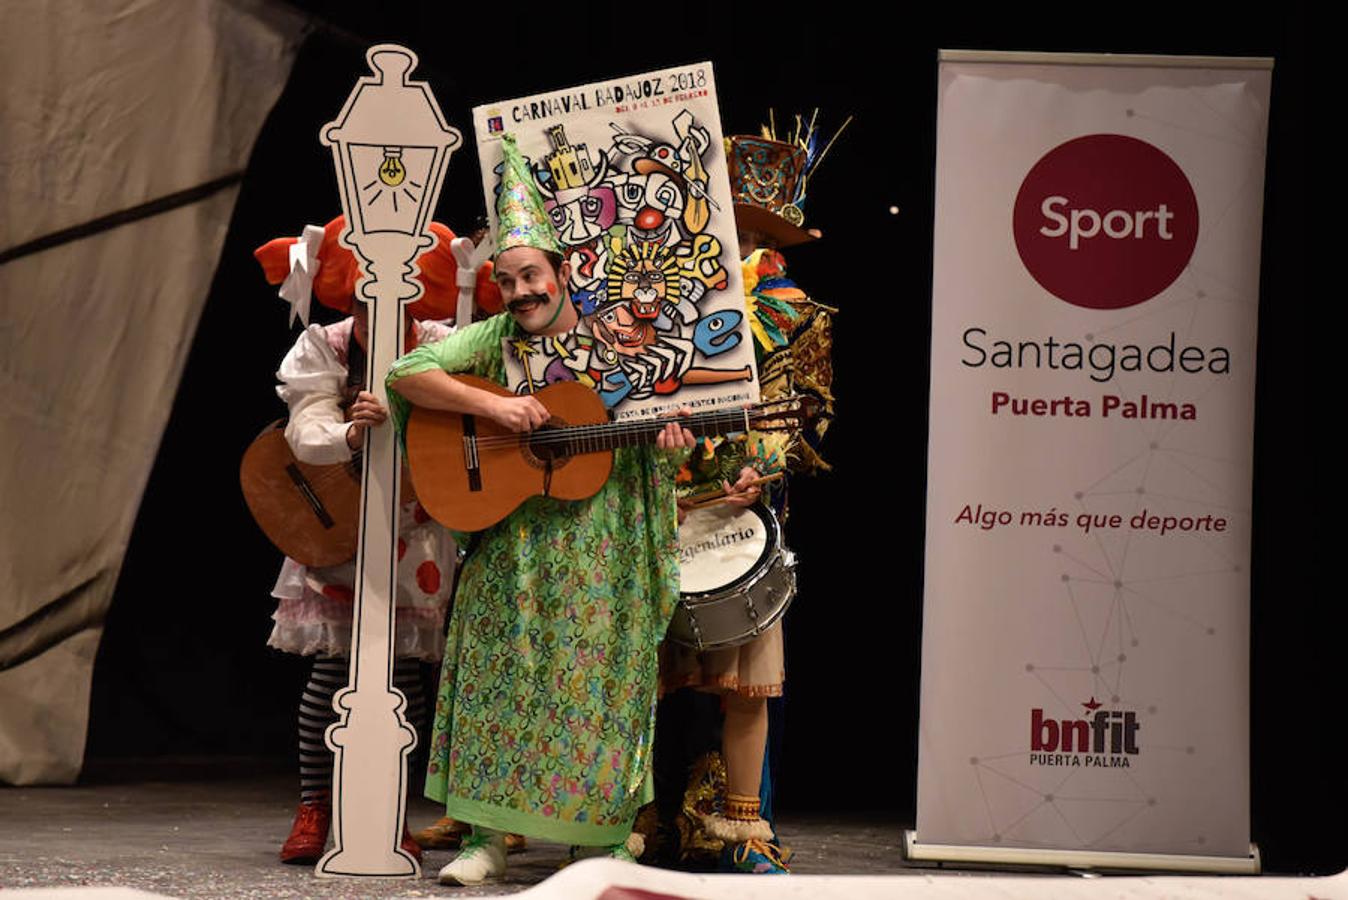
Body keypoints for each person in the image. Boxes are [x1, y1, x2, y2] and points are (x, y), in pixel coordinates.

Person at [384, 134, 696, 886]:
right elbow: (407, 371)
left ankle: (598, 843)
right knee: (503, 675)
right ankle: (486, 839)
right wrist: (494, 409)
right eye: (508, 281)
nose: (521, 292)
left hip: (604, 541)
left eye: (532, 276)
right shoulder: (492, 340)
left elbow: (661, 437)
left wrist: (675, 444)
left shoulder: (620, 337)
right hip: (517, 540)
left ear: (565, 271)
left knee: (599, 683)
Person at [252, 215, 498, 865]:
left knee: (406, 680)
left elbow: (474, 410)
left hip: (414, 534)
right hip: (345, 530)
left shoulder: (443, 341)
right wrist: (352, 435)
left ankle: (386, 808)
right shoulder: (328, 345)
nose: (379, 301)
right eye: (365, 290)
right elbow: (304, 431)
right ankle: (315, 805)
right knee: (333, 670)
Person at [648, 124, 840, 875]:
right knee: (649, 679)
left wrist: (761, 465)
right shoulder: (660, 303)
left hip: (739, 514)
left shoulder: (796, 314)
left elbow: (805, 409)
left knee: (743, 684)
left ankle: (741, 831)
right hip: (656, 506)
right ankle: (639, 825)